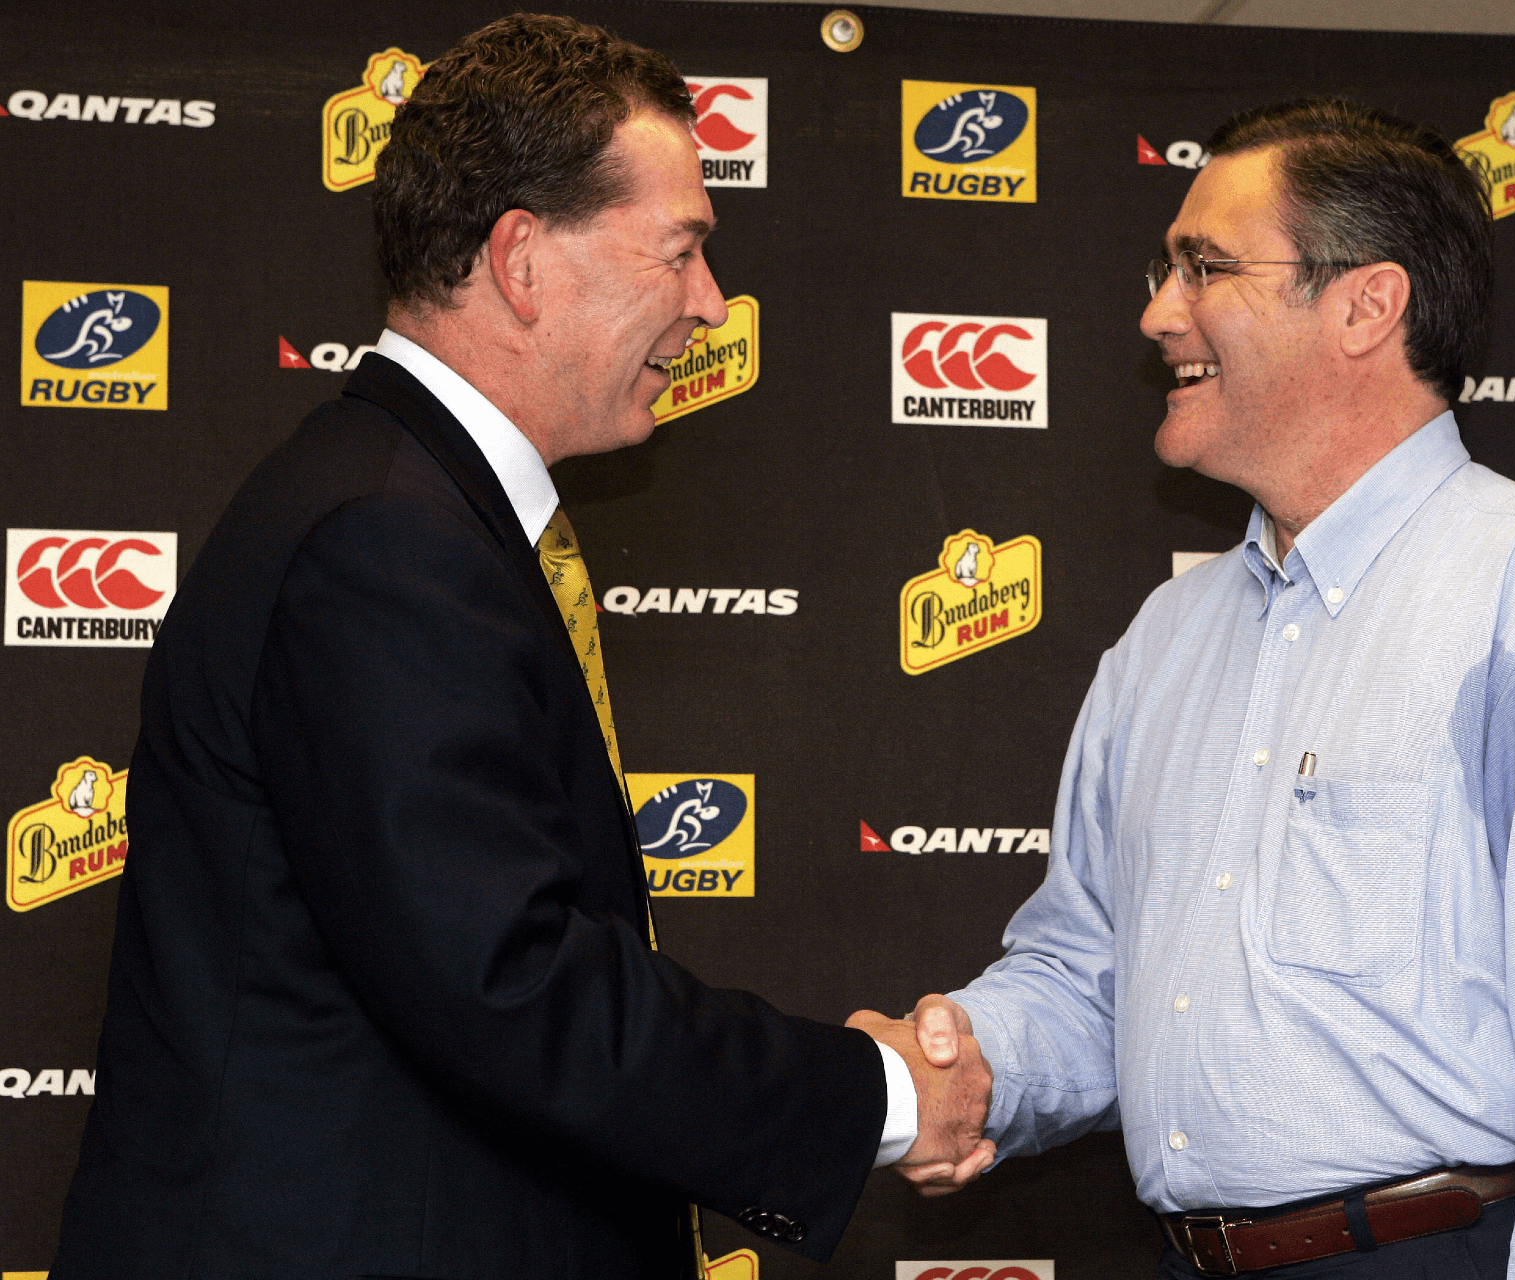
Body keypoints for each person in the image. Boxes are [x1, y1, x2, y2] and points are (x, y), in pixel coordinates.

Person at [51, 16, 989, 1280]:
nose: (712, 304)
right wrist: (876, 1092)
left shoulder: (402, 504)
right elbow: (514, 983)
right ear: (522, 258)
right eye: (684, 251)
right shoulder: (385, 537)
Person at [902, 99, 1515, 1277]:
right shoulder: (1165, 639)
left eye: (1205, 267)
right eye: (1165, 268)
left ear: (1366, 304)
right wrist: (952, 1065)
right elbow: (1093, 980)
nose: (1156, 314)